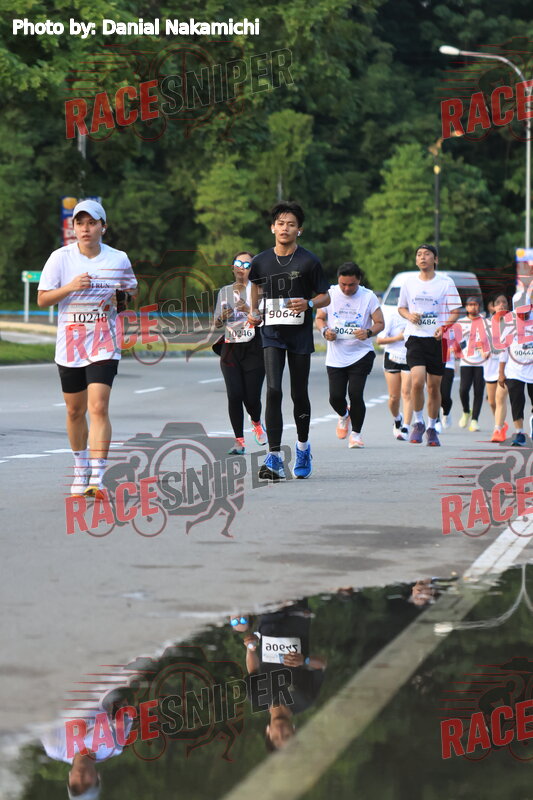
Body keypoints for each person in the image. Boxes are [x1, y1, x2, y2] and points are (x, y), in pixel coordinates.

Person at [37, 200, 137, 498]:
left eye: (92, 223)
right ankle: (80, 468)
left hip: (104, 342)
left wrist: (122, 299)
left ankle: (98, 477)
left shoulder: (118, 258)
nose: (85, 228)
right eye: (80, 223)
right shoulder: (60, 258)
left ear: (103, 227)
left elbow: (131, 290)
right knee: (74, 410)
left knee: (98, 407)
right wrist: (70, 287)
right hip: (70, 344)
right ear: (73, 227)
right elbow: (43, 299)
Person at [248, 201, 330, 480]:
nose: (285, 228)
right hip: (271, 333)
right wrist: (254, 311)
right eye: (281, 223)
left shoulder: (309, 261)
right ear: (272, 228)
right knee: (273, 390)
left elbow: (325, 296)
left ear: (299, 230)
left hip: (299, 335)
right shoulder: (260, 261)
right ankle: (274, 456)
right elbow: (256, 287)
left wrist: (309, 303)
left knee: (298, 393)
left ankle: (303, 447)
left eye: (291, 224)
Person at [397, 244, 461, 446]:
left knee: (434, 388)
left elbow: (455, 311)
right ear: (416, 260)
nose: (422, 257)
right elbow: (401, 307)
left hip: (438, 340)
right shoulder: (409, 282)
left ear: (436, 259)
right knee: (417, 382)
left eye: (427, 254)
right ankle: (418, 422)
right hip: (415, 337)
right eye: (419, 254)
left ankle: (432, 427)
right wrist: (409, 316)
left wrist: (444, 327)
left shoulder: (446, 283)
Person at [316, 263, 384, 447]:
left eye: (351, 285)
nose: (347, 289)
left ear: (359, 281)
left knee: (355, 393)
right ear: (338, 280)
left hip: (361, 353)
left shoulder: (368, 296)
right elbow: (320, 318)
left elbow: (380, 323)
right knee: (335, 397)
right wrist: (324, 331)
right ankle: (344, 415)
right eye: (343, 284)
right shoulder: (330, 294)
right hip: (336, 355)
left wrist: (368, 332)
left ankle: (356, 434)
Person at [213, 252, 267, 454]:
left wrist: (248, 309)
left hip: (254, 347)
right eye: (238, 263)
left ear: (253, 269)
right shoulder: (225, 291)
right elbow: (216, 322)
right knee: (234, 395)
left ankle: (256, 422)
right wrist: (222, 317)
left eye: (247, 264)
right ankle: (239, 442)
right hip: (231, 348)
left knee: (251, 398)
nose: (242, 267)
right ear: (232, 267)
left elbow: (263, 318)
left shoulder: (260, 290)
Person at [499, 294, 533, 446]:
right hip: (514, 370)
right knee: (516, 402)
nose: (523, 315)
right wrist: (501, 373)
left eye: (526, 312)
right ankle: (519, 433)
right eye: (520, 312)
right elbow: (503, 349)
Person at [376, 309, 411, 440]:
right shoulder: (392, 317)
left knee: (407, 393)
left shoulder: (416, 317)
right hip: (392, 358)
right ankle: (397, 418)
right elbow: (379, 340)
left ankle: (406, 427)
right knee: (394, 397)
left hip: (410, 358)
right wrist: (399, 338)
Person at [457, 297, 486, 432]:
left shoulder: (485, 322)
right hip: (466, 361)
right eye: (470, 305)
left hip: (481, 362)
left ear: (479, 306)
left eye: (475, 304)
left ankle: (474, 420)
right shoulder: (461, 322)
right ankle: (466, 411)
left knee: (478, 391)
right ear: (466, 307)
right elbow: (457, 341)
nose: (473, 307)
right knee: (463, 390)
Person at [484, 294, 509, 443]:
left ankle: (497, 429)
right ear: (492, 307)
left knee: (500, 398)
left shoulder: (512, 323)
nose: (501, 305)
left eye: (504, 302)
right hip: (490, 366)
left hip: (506, 367)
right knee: (492, 402)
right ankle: (500, 424)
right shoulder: (485, 324)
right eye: (498, 302)